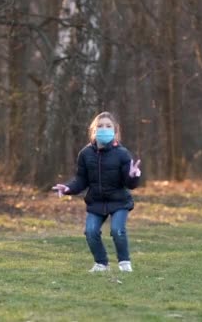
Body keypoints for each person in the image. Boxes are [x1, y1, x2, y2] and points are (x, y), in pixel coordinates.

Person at [52, 112, 141, 273]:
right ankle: (101, 264)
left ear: (115, 130)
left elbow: (129, 184)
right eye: (100, 126)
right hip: (96, 202)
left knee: (117, 230)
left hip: (119, 201)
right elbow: (81, 180)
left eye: (108, 126)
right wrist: (68, 189)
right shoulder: (85, 154)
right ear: (93, 130)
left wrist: (133, 176)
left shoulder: (122, 154)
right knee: (91, 231)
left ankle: (124, 262)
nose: (104, 129)